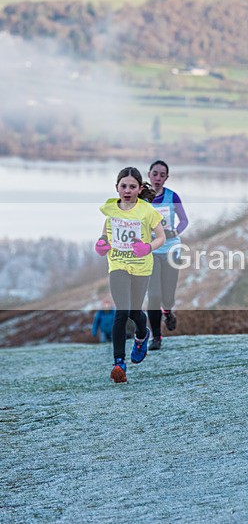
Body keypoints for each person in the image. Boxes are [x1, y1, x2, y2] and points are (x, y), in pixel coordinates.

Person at [95, 167, 166, 383]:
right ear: (116, 187)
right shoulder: (111, 210)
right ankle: (119, 363)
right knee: (121, 311)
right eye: (123, 186)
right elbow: (105, 235)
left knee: (135, 313)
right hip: (117, 265)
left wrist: (148, 247)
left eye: (132, 186)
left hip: (141, 267)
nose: (127, 190)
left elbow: (161, 237)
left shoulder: (147, 211)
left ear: (139, 188)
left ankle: (141, 335)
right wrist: (101, 244)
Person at [145, 160, 189, 351]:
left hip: (171, 249)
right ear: (149, 175)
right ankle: (156, 336)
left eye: (162, 175)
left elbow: (184, 220)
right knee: (154, 295)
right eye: (155, 174)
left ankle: (168, 311)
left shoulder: (172, 197)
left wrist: (174, 232)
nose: (158, 178)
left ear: (166, 178)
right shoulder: (143, 198)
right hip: (152, 251)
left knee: (167, 295)